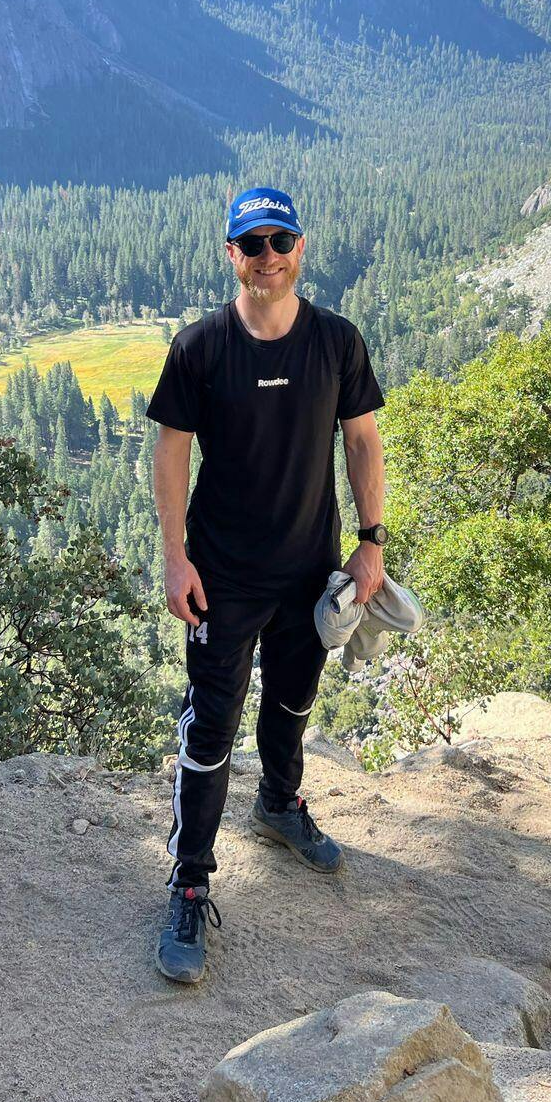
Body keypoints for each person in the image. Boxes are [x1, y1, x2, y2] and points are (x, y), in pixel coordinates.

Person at [145, 185, 389, 984]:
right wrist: (175, 557)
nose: (268, 257)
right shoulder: (200, 348)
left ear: (300, 248)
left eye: (280, 241)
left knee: (292, 702)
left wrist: (370, 544)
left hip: (311, 568)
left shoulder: (336, 342)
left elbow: (362, 441)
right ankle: (189, 882)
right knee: (211, 729)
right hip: (221, 577)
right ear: (232, 256)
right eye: (253, 245)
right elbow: (172, 452)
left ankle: (279, 804)